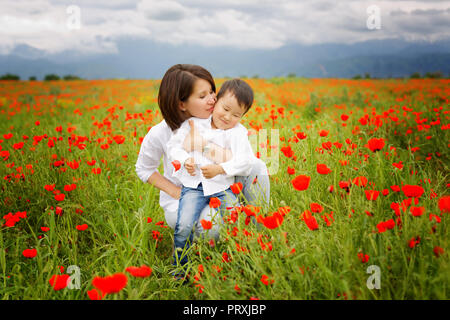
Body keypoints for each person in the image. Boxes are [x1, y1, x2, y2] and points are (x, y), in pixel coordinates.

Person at [135, 64, 270, 250]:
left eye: (212, 92)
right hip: (185, 196)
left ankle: (257, 235)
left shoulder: (221, 121)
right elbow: (143, 168)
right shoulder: (160, 133)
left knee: (257, 165)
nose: (212, 99)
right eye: (202, 96)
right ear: (181, 103)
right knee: (212, 228)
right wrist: (176, 192)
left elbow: (242, 159)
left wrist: (203, 146)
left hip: (219, 187)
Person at [168, 79, 258, 268]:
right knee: (184, 225)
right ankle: (180, 267)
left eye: (236, 115)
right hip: (193, 187)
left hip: (223, 187)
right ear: (215, 100)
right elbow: (173, 147)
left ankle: (240, 261)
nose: (227, 117)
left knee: (235, 220)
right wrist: (186, 161)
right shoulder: (194, 124)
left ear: (242, 116)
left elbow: (246, 161)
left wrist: (221, 169)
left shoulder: (238, 133)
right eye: (225, 109)